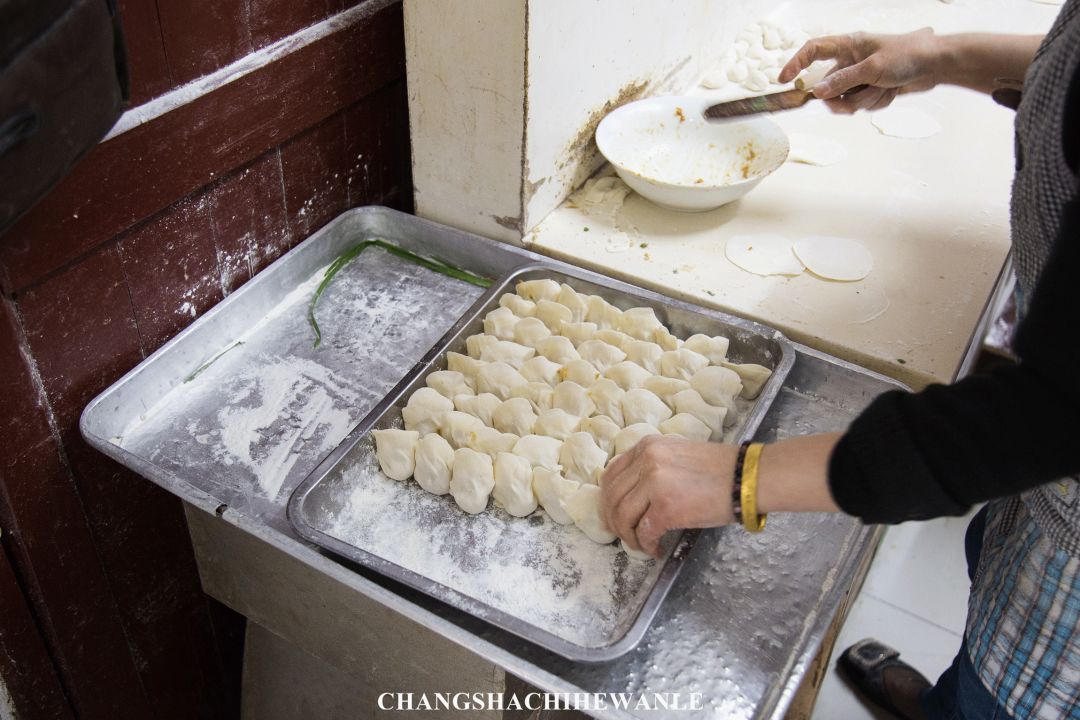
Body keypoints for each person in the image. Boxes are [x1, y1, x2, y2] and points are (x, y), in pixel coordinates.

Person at [601, 10, 1080, 720]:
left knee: (1001, 697)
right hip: (1046, 484)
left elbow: (1045, 419)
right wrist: (944, 56)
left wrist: (741, 477)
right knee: (987, 587)